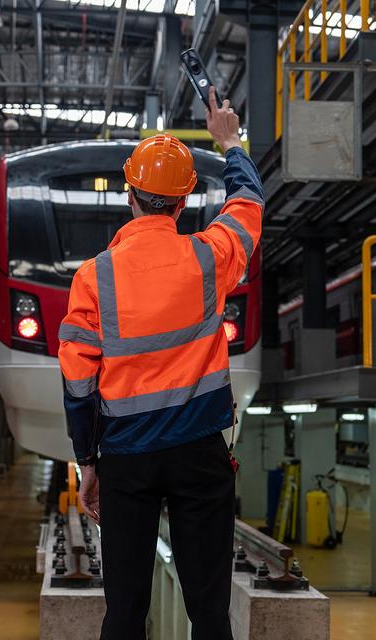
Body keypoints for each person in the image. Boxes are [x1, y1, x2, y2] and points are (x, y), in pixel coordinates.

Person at [57, 87, 263, 640]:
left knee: (123, 612)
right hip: (200, 456)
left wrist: (88, 461)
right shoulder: (209, 257)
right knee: (210, 612)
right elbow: (248, 208)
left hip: (126, 459)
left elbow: (78, 384)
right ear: (180, 204)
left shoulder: (92, 277)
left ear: (130, 197)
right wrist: (231, 143)